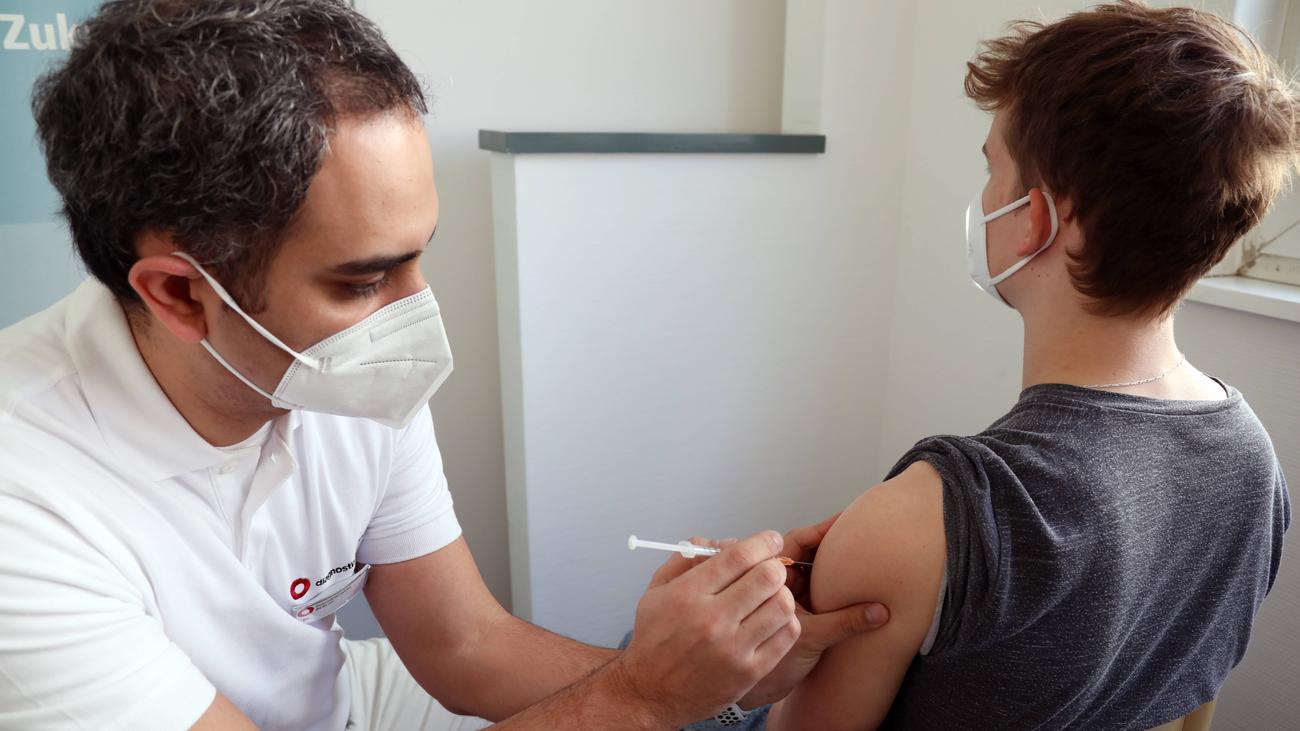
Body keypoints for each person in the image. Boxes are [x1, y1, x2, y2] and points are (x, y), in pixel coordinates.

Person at [0, 1, 889, 729]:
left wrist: (721, 679)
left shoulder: (342, 371)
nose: (415, 314)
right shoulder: (27, 504)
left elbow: (466, 644)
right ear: (179, 294)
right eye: (363, 281)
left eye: (418, 256)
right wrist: (646, 694)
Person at [762, 2, 1293, 729]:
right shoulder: (1253, 461)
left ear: (1035, 220)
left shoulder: (918, 521)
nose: (982, 196)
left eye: (993, 167)